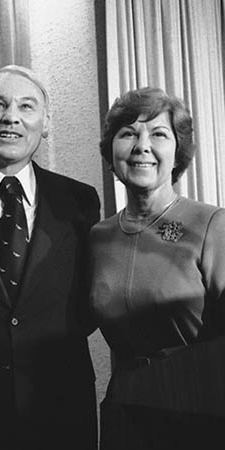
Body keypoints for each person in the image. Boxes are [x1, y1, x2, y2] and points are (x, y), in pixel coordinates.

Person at [0, 65, 101, 450]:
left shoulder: (80, 201)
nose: (11, 117)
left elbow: (90, 299)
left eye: (26, 106)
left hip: (61, 403)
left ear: (46, 122)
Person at [90, 87, 225, 449]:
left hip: (201, 409)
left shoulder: (213, 224)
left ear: (177, 151)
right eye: (128, 133)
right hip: (126, 412)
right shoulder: (97, 237)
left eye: (159, 134)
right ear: (111, 149)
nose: (142, 146)